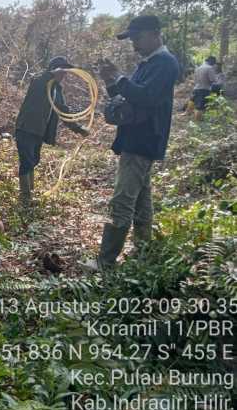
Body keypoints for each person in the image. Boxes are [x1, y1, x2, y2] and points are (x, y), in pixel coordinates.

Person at [89, 15, 180, 270]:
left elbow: (146, 97)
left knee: (122, 201)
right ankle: (144, 254)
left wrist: (119, 78)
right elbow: (125, 97)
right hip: (136, 139)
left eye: (137, 38)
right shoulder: (148, 64)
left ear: (155, 33)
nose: (134, 44)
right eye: (132, 39)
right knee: (142, 201)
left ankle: (105, 262)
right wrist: (110, 79)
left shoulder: (165, 64)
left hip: (143, 140)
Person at [14, 56, 89, 208]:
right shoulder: (40, 82)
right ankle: (25, 197)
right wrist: (51, 74)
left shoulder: (57, 90)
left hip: (39, 132)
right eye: (62, 71)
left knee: (34, 160)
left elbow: (64, 112)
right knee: (27, 161)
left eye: (65, 72)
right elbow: (38, 80)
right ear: (54, 70)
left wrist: (79, 129)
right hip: (25, 128)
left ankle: (30, 194)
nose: (64, 75)